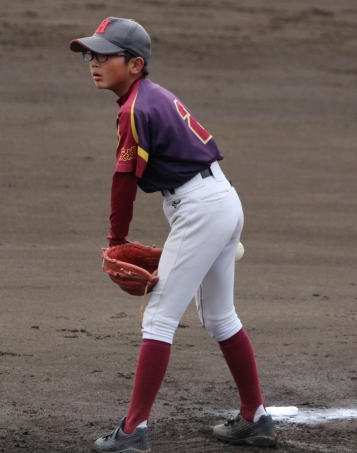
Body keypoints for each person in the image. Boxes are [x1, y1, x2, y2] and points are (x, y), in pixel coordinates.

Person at [69, 17, 276, 453]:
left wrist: (116, 240)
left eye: (104, 55)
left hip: (200, 209)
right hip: (222, 199)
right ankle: (255, 418)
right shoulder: (151, 96)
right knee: (219, 317)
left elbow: (123, 180)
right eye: (90, 54)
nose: (94, 62)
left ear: (135, 64)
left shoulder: (135, 109)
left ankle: (132, 431)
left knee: (159, 318)